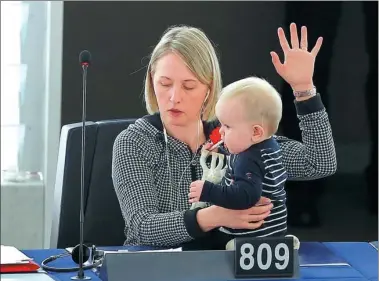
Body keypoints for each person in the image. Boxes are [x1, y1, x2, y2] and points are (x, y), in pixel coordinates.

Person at [112, 23, 337, 250]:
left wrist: (304, 89)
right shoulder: (135, 142)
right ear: (152, 81)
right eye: (165, 84)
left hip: (228, 267)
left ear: (209, 86)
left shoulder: (235, 133)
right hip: (156, 268)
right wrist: (215, 216)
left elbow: (319, 163)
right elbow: (141, 229)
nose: (174, 97)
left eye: (189, 86)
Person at [188, 77, 288, 249]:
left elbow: (245, 196)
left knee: (197, 245)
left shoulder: (247, 160)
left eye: (227, 126)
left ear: (256, 132)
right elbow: (244, 155)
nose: (221, 131)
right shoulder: (268, 146)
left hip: (247, 238)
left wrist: (208, 191)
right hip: (274, 231)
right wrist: (222, 149)